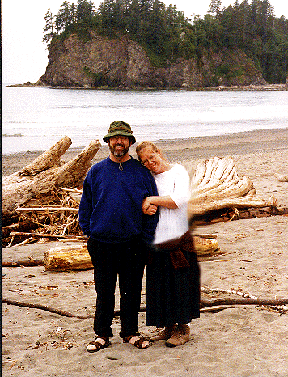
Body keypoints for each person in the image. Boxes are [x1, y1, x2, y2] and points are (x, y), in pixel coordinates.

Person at [78, 122, 159, 352]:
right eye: (114, 138)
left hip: (134, 243)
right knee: (104, 291)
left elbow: (153, 205)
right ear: (108, 142)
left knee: (131, 291)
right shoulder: (96, 171)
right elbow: (86, 206)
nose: (119, 142)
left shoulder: (141, 172)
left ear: (130, 142)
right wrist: (89, 233)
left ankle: (130, 332)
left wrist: (146, 237)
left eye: (123, 138)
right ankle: (102, 335)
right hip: (102, 243)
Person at [136, 141, 200, 347]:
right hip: (157, 240)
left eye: (151, 157)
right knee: (160, 286)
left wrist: (152, 200)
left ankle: (183, 328)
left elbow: (177, 200)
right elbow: (144, 203)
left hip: (178, 238)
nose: (150, 163)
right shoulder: (149, 179)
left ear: (159, 152)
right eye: (144, 161)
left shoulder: (177, 172)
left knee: (180, 285)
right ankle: (168, 327)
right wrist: (145, 206)